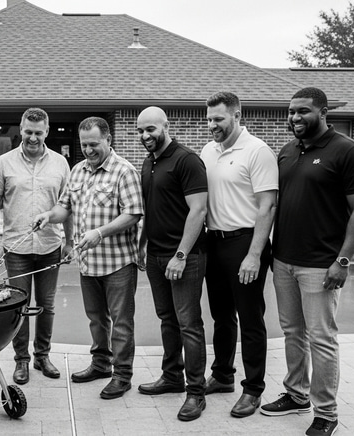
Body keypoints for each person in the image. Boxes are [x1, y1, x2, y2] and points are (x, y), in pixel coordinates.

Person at [260, 87, 354, 436]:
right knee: (292, 332)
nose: (295, 117)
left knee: (321, 338)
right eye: (291, 111)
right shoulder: (287, 151)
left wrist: (343, 260)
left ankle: (326, 413)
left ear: (323, 112)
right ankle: (296, 395)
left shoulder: (348, 152)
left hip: (321, 264)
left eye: (303, 111)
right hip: (284, 260)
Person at [33, 117, 143, 400]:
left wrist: (100, 232)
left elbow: (133, 214)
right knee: (96, 319)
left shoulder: (124, 171)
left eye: (94, 144)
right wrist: (48, 216)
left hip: (118, 262)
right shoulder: (77, 170)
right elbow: (64, 207)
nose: (88, 150)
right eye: (84, 145)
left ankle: (122, 376)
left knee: (121, 322)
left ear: (108, 140)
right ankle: (101, 364)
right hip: (89, 263)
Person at [199, 92, 277, 418]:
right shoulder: (208, 150)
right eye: (209, 119)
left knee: (250, 318)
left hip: (245, 242)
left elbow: (267, 205)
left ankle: (253, 389)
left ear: (236, 115)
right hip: (214, 242)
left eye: (218, 119)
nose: (212, 125)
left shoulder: (257, 151)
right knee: (221, 316)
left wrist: (255, 254)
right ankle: (222, 375)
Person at [0, 108, 73, 385]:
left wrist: (70, 242)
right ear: (20, 130)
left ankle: (42, 356)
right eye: (28, 132)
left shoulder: (60, 163)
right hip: (16, 248)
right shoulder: (4, 162)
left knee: (46, 305)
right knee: (18, 305)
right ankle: (21, 359)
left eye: (38, 133)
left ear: (47, 132)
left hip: (50, 246)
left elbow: (68, 205)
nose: (33, 138)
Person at [135, 106, 209, 422]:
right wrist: (142, 245)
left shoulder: (186, 160)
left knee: (189, 324)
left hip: (185, 257)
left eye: (150, 129)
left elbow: (199, 210)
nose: (145, 135)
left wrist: (180, 255)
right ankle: (172, 376)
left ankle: (196, 393)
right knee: (167, 319)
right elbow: (150, 208)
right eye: (140, 131)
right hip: (155, 255)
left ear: (166, 126)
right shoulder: (148, 162)